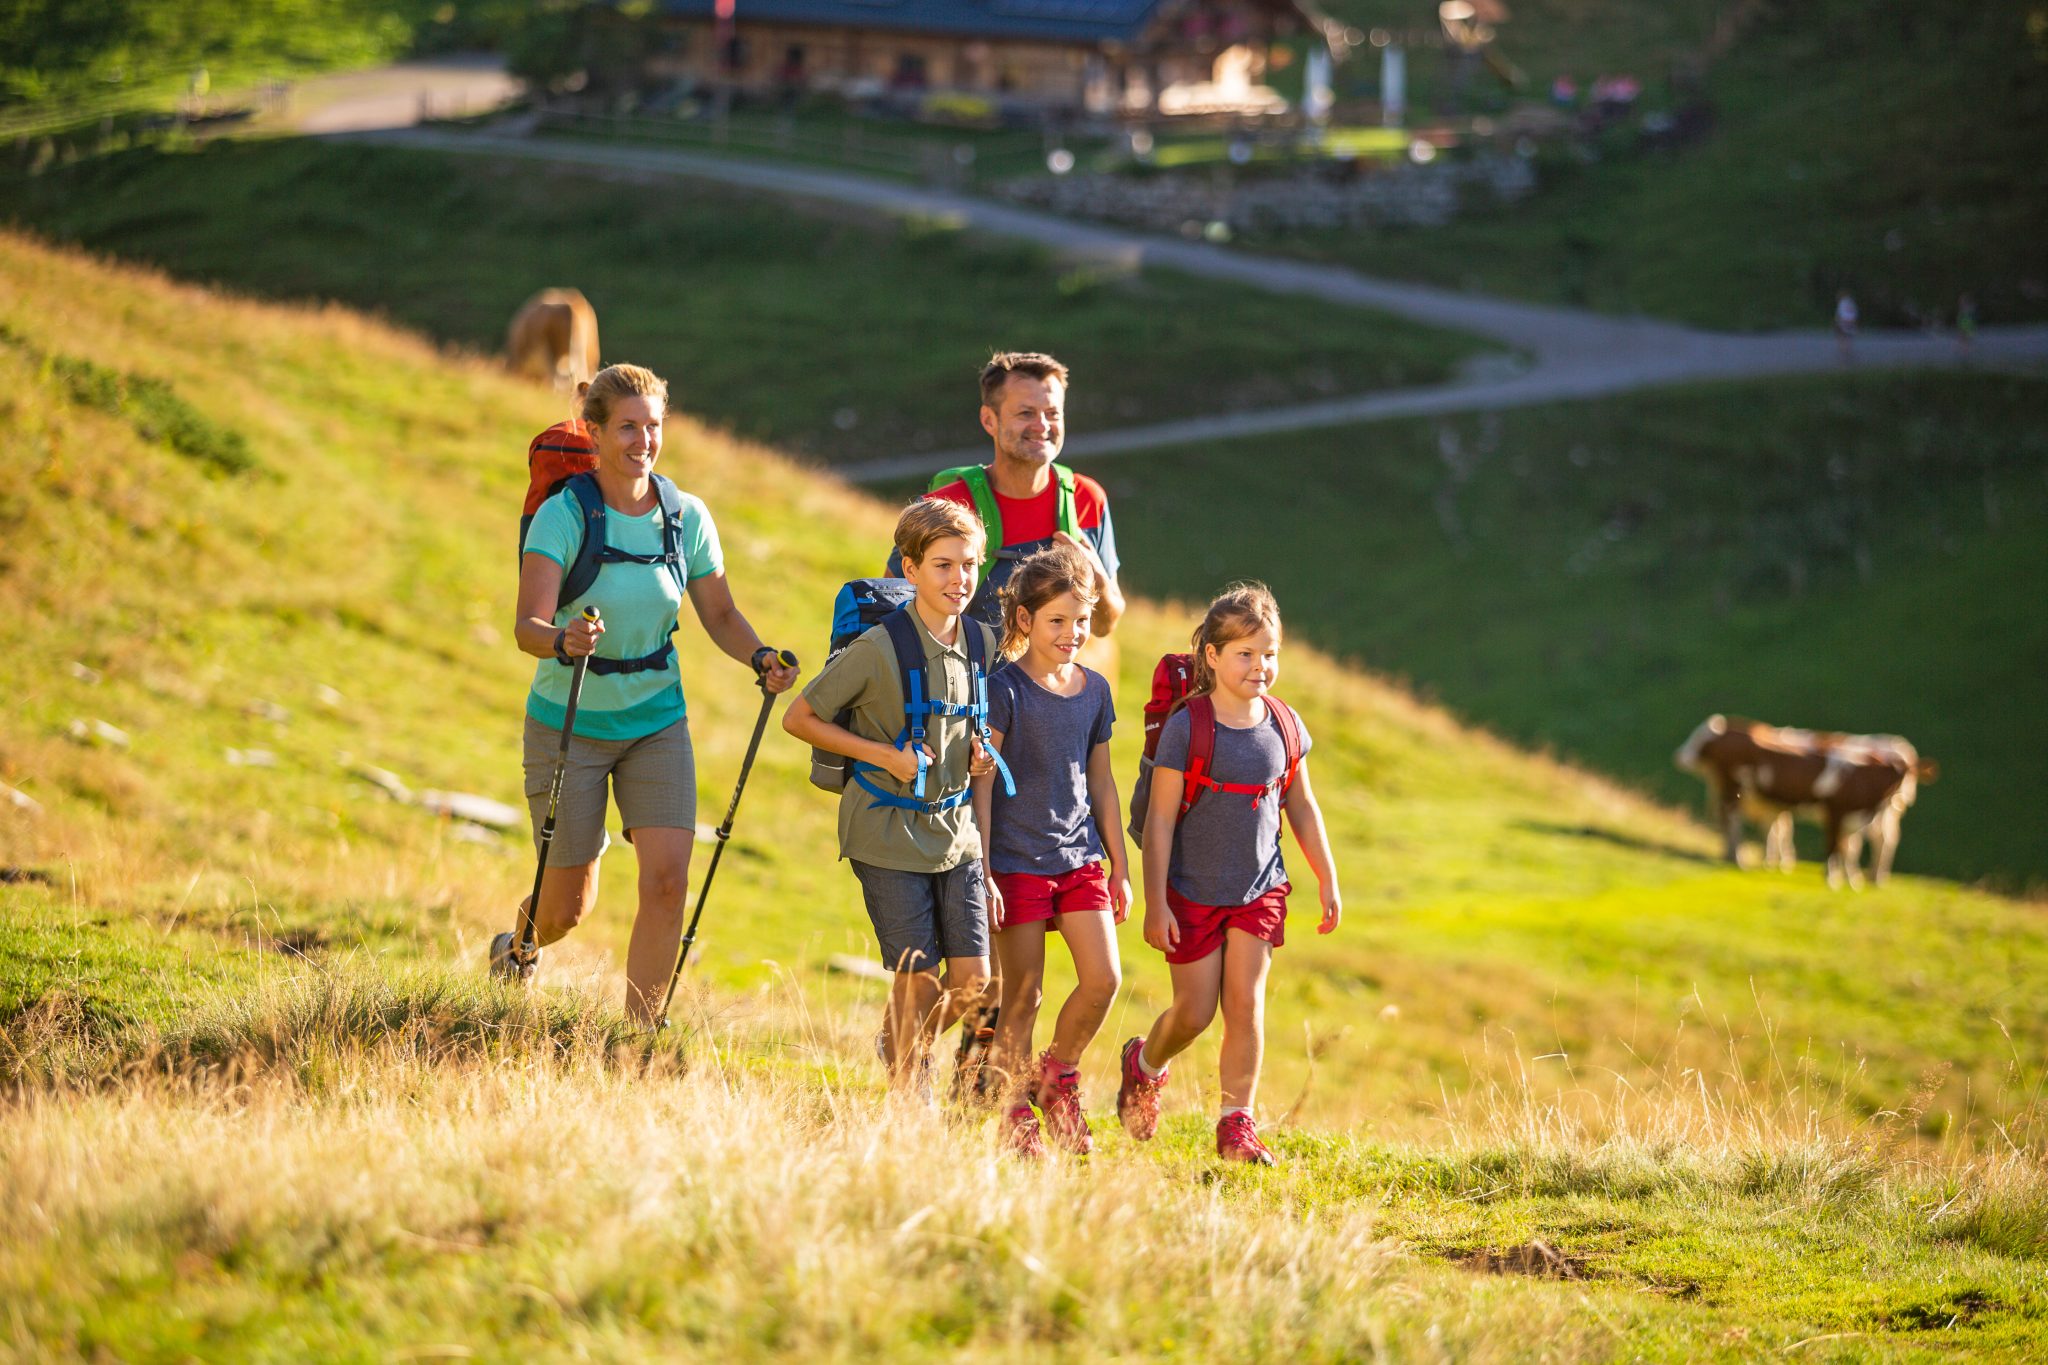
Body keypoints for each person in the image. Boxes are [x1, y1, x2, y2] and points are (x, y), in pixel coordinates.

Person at [500, 363, 799, 1026]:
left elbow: (720, 614)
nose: (643, 439)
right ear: (596, 431)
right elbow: (527, 625)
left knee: (667, 883)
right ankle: (517, 945)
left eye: (654, 425)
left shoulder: (684, 516)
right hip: (568, 721)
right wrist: (564, 639)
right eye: (628, 426)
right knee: (563, 911)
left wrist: (760, 655)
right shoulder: (564, 514)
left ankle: (639, 1036)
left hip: (656, 722)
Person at [1114, 583, 1342, 1165]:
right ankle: (1144, 1063)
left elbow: (1301, 805)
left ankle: (1236, 1123)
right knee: (1194, 1013)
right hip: (1190, 892)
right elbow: (1161, 820)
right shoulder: (1188, 727)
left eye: (1269, 653)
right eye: (1245, 653)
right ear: (1211, 656)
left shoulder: (1285, 725)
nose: (1260, 666)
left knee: (1246, 1004)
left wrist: (1327, 877)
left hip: (1259, 888)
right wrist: (1157, 902)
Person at [783, 498, 1001, 1101]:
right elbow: (799, 718)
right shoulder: (878, 647)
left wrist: (978, 756)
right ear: (909, 570)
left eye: (969, 566)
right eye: (943, 566)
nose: (959, 580)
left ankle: (902, 1046)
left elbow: (964, 725)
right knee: (917, 978)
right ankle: (909, 1095)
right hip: (883, 829)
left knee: (974, 982)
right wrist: (884, 756)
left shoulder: (982, 642)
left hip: (955, 833)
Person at [971, 544, 1131, 1158]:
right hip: (1015, 864)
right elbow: (983, 781)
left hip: (1079, 858)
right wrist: (983, 868)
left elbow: (1102, 782)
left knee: (1103, 979)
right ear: (1025, 622)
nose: (1071, 633)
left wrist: (1119, 865)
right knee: (1025, 993)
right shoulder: (1004, 689)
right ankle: (1013, 1111)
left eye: (1080, 620)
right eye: (1057, 620)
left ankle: (1057, 1075)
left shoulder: (1095, 691)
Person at [893, 352, 1125, 647]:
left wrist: (1096, 578)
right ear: (989, 420)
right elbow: (891, 610)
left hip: (1047, 691)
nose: (1042, 426)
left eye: (1053, 413)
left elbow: (1105, 625)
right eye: (1026, 413)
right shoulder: (944, 506)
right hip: (961, 689)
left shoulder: (1086, 500)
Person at [1834, 290, 1859, 362]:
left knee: (1841, 337)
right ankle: (1847, 350)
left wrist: (1837, 322)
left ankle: (1844, 352)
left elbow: (1840, 313)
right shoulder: (1851, 303)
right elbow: (1855, 313)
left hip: (1843, 322)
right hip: (1851, 322)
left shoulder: (1842, 303)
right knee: (1848, 337)